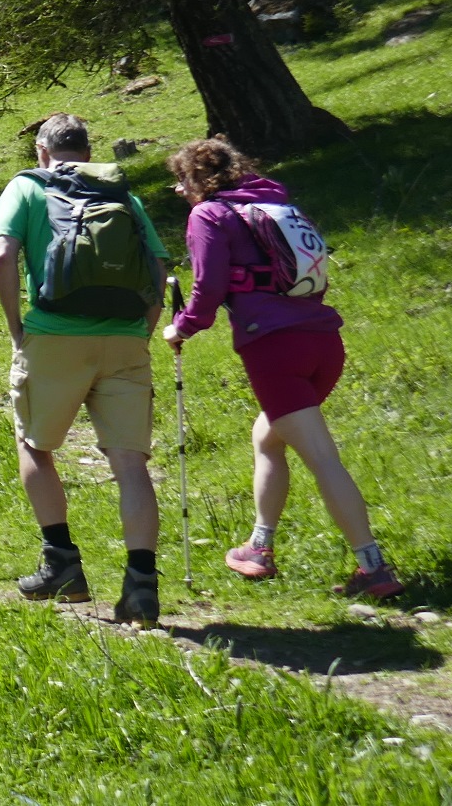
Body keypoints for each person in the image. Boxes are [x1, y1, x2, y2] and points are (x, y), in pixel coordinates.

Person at [160, 139, 403, 599]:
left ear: (194, 181)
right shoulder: (274, 204)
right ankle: (258, 547)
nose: (180, 193)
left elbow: (208, 287)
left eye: (180, 183)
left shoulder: (208, 214)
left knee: (321, 457)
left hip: (274, 348)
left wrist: (181, 327)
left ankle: (374, 567)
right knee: (267, 437)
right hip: (323, 342)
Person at [0, 113, 170, 626]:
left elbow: (4, 254)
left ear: (42, 152)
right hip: (125, 339)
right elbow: (159, 266)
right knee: (131, 466)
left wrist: (16, 327)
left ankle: (62, 564)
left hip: (54, 335)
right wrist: (145, 328)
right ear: (88, 153)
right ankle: (141, 586)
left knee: (34, 446)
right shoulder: (120, 193)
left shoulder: (27, 186)